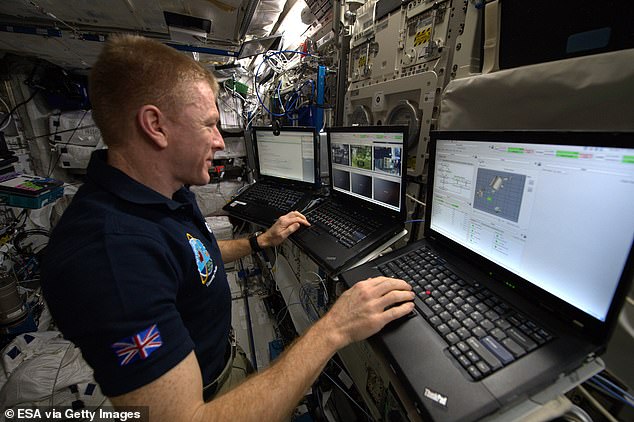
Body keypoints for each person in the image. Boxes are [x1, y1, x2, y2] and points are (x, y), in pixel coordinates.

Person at [41, 34, 414, 421]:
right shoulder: (109, 258)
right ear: (155, 125)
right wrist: (334, 328)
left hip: (222, 363)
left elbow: (191, 257)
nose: (220, 141)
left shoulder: (163, 192)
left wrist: (259, 241)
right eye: (209, 124)